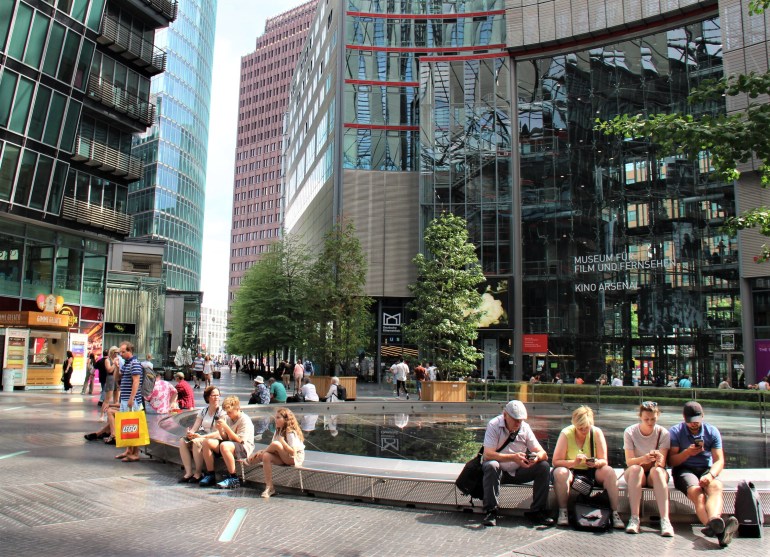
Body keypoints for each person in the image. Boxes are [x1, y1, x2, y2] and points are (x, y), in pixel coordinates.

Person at [668, 401, 739, 547]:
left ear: (702, 416)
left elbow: (719, 460)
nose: (694, 425)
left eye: (697, 421)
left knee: (716, 487)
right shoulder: (675, 431)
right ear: (684, 419)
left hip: (705, 470)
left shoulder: (712, 431)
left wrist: (711, 475)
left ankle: (713, 520)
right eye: (690, 422)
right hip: (684, 469)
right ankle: (718, 530)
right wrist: (687, 453)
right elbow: (671, 461)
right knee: (697, 493)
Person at [480, 400, 554, 527]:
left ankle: (538, 511)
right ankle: (490, 511)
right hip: (498, 472)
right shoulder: (494, 425)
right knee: (492, 465)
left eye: (520, 420)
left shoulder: (524, 427)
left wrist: (536, 458)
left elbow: (543, 454)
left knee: (543, 466)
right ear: (505, 415)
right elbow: (488, 454)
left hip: (519, 470)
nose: (518, 423)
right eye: (515, 420)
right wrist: (513, 457)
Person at [551, 405, 625, 529]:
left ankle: (614, 512)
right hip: (572, 470)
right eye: (580, 428)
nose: (584, 431)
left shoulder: (596, 432)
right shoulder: (566, 434)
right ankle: (563, 510)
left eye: (586, 427)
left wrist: (596, 463)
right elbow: (556, 461)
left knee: (609, 472)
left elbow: (604, 460)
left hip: (591, 471)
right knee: (560, 472)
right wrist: (573, 463)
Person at [623, 401, 673, 536]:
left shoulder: (663, 433)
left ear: (658, 416)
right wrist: (643, 459)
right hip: (636, 469)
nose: (650, 422)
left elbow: (661, 465)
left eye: (653, 419)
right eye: (646, 419)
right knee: (635, 470)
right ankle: (634, 517)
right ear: (640, 417)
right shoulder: (630, 432)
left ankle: (665, 519)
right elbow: (629, 461)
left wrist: (658, 460)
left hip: (653, 472)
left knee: (657, 472)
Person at [248, 407, 305, 498]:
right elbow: (272, 449)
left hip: (295, 458)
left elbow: (293, 452)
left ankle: (254, 459)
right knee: (266, 456)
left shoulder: (290, 432)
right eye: (275, 417)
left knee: (276, 444)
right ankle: (269, 487)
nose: (275, 419)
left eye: (278, 417)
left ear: (285, 419)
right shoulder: (278, 431)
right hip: (284, 456)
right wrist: (266, 451)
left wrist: (282, 442)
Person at [199, 395, 255, 489]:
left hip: (244, 447)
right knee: (206, 442)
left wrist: (226, 427)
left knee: (225, 445)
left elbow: (240, 440)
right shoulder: (229, 418)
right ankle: (211, 474)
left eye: (230, 412)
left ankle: (233, 478)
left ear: (238, 408)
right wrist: (221, 429)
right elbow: (225, 438)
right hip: (230, 445)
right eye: (227, 412)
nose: (228, 414)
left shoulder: (244, 419)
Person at [108, 341, 144, 462]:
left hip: (132, 400)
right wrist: (117, 367)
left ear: (129, 351)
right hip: (125, 399)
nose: (121, 354)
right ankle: (129, 450)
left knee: (134, 426)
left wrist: (131, 398)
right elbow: (117, 378)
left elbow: (136, 382)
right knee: (127, 426)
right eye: (120, 352)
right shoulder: (127, 364)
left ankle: (135, 453)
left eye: (123, 352)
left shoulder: (135, 364)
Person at [177, 386, 222, 483]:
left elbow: (221, 432)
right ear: (208, 397)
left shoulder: (222, 412)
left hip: (215, 438)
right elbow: (195, 427)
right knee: (182, 440)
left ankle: (198, 473)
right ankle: (188, 472)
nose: (216, 398)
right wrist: (190, 433)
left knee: (196, 442)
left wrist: (202, 437)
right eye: (214, 395)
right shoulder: (203, 411)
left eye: (218, 395)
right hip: (202, 435)